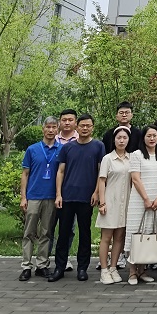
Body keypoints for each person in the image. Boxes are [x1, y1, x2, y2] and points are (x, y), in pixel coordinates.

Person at [49, 114, 105, 283]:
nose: (85, 128)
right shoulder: (67, 148)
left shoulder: (98, 146)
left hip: (86, 198)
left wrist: (96, 192)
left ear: (92, 127)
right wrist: (58, 194)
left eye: (88, 125)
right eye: (82, 125)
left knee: (85, 233)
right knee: (63, 233)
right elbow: (60, 171)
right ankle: (59, 267)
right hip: (67, 197)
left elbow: (101, 172)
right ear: (77, 127)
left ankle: (82, 268)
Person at [19, 117, 62, 281]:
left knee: (46, 233)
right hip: (33, 196)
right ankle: (26, 266)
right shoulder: (32, 149)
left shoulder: (62, 149)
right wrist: (23, 197)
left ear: (57, 129)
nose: (51, 130)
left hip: (51, 197)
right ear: (43, 129)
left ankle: (42, 265)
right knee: (29, 232)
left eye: (54, 127)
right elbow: (25, 174)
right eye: (48, 127)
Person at [125, 124, 157, 285]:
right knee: (136, 233)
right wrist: (145, 199)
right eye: (149, 136)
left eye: (154, 135)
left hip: (156, 201)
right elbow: (135, 179)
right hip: (139, 200)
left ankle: (142, 270)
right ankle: (132, 272)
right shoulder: (136, 155)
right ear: (143, 138)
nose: (152, 138)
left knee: (148, 233)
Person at [96, 126, 131, 284]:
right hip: (110, 201)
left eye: (124, 138)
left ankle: (113, 267)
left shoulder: (131, 158)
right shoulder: (108, 159)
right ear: (114, 140)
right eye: (119, 138)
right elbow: (102, 181)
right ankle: (104, 269)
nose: (121, 141)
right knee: (106, 237)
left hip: (125, 203)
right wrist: (102, 202)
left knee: (119, 237)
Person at [48, 109, 79, 270]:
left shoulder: (81, 140)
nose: (67, 123)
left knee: (69, 229)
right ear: (60, 122)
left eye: (70, 120)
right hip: (51, 190)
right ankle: (44, 259)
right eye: (64, 120)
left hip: (72, 191)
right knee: (48, 227)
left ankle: (64, 258)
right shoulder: (52, 139)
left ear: (76, 122)